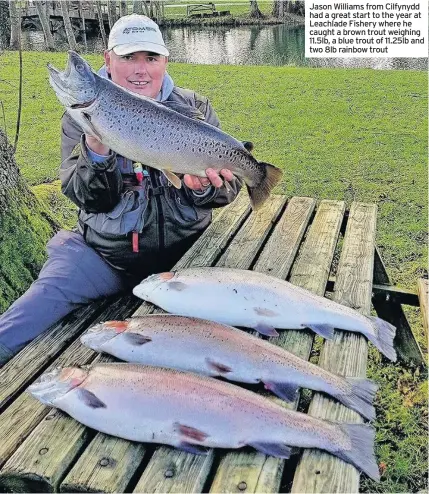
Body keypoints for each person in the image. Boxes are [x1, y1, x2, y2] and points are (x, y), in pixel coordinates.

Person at [0, 14, 242, 366]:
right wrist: (97, 153)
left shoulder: (195, 109)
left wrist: (202, 189)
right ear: (107, 58)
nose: (140, 69)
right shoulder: (78, 118)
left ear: (165, 61)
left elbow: (226, 191)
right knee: (26, 316)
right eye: (129, 57)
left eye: (151, 58)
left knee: (232, 334)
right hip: (104, 258)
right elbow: (89, 198)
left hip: (187, 258)